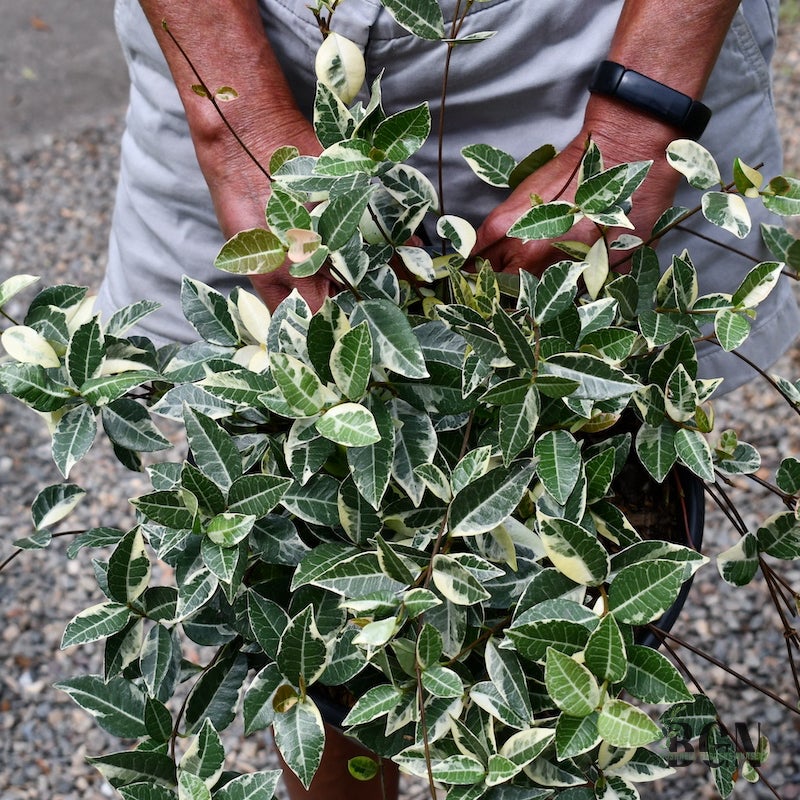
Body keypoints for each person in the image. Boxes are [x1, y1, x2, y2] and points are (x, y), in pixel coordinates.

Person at [99, 1, 797, 798]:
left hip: (597, 35)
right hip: (231, 42)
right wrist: (234, 115)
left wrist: (640, 121)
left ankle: (556, 741)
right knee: (300, 590)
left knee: (599, 484)